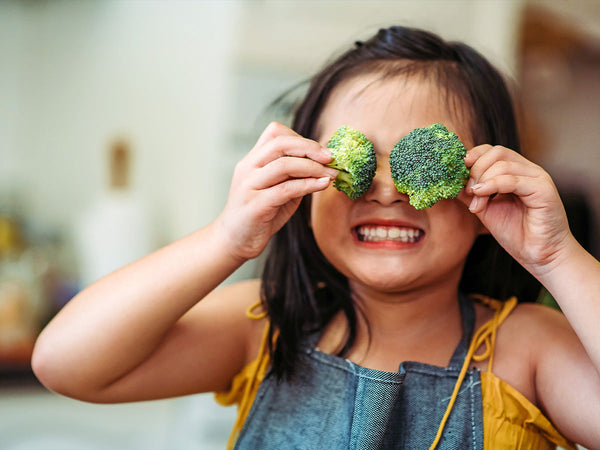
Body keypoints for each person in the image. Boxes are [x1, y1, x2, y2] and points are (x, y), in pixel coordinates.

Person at [32, 26, 600, 449]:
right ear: (303, 181)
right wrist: (227, 238)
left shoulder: (528, 348)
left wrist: (555, 256)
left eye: (417, 161)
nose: (385, 191)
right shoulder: (266, 323)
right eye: (353, 159)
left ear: (484, 197)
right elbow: (65, 363)